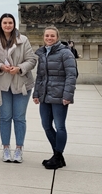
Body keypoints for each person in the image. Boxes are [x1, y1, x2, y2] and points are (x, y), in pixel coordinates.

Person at [0, 14, 37, 163]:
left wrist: (19, 68)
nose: (7, 25)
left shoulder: (23, 40)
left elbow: (32, 60)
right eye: (5, 23)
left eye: (10, 22)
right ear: (0, 24)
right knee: (5, 117)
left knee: (19, 118)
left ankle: (19, 149)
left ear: (14, 24)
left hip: (21, 84)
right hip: (1, 84)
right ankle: (6, 148)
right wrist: (0, 66)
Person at [33, 26, 77, 170]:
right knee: (46, 125)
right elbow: (40, 76)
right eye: (47, 36)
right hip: (45, 95)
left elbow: (72, 75)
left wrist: (67, 95)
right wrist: (36, 93)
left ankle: (57, 156)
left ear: (57, 37)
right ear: (43, 37)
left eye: (52, 36)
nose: (49, 38)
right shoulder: (42, 53)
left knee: (60, 126)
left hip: (59, 96)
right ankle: (58, 156)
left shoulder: (65, 53)